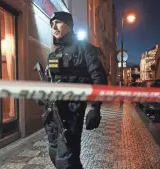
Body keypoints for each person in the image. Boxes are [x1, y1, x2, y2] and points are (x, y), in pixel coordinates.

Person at [40, 11, 108, 169]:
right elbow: (49, 81)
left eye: (58, 22)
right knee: (54, 153)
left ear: (69, 25)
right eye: (51, 24)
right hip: (52, 114)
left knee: (66, 161)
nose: (54, 26)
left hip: (71, 113)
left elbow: (99, 79)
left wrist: (95, 107)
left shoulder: (84, 48)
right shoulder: (53, 55)